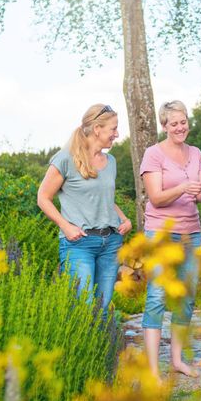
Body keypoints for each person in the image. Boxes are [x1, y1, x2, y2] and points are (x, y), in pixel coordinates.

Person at [140, 100, 201, 378]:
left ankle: (177, 361)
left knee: (186, 298)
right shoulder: (153, 154)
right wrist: (185, 186)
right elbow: (157, 198)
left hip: (191, 232)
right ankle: (152, 370)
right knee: (158, 296)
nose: (180, 127)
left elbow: (198, 196)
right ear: (164, 126)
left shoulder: (196, 152)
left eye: (183, 122)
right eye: (174, 123)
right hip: (161, 232)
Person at [37, 104, 133, 317]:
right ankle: (80, 349)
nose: (117, 134)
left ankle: (103, 350)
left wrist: (124, 219)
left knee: (103, 308)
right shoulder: (65, 159)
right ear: (97, 129)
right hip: (79, 244)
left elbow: (105, 199)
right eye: (113, 129)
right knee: (84, 308)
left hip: (111, 243)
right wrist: (66, 226)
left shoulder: (111, 161)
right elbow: (43, 198)